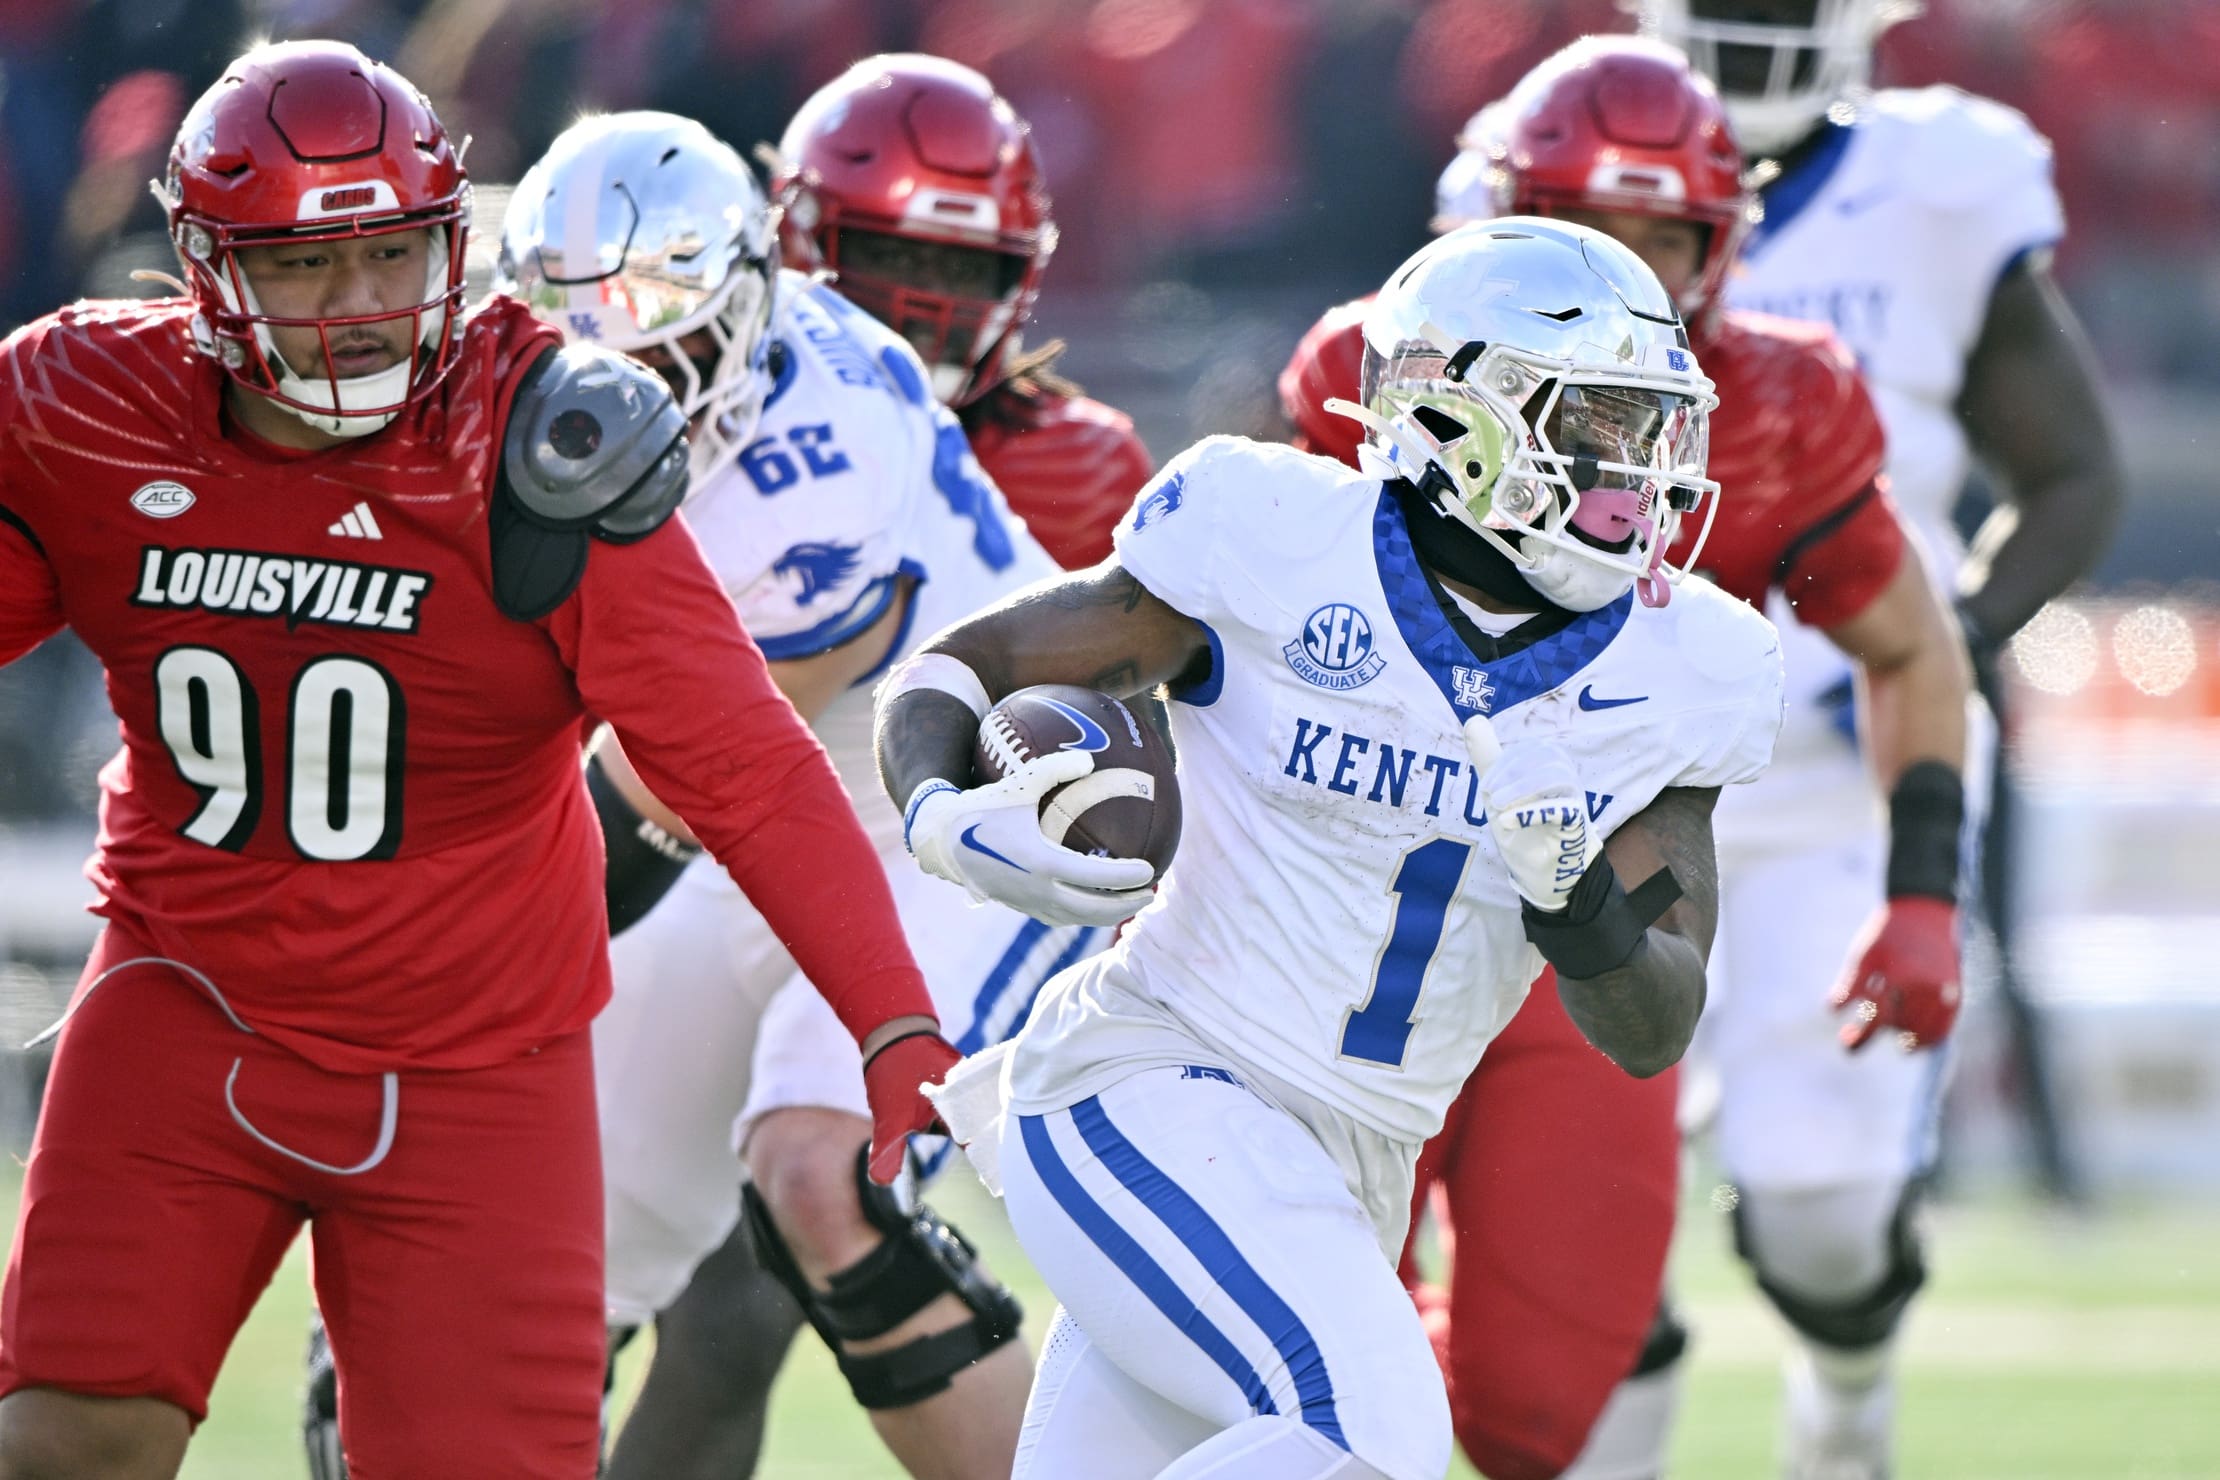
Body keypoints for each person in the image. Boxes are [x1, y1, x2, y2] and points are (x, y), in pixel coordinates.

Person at [0, 40, 956, 1480]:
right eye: (305, 266)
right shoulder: (85, 407)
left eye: (389, 254)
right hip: (185, 1013)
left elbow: (742, 763)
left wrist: (887, 1014)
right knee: (67, 1437)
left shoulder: (539, 437)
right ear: (207, 271)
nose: (359, 307)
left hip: (476, 1067)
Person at [876, 217, 1785, 1480]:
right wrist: (938, 811)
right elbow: (962, 666)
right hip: (1149, 1078)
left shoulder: (1691, 660)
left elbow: (1654, 1024)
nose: (1635, 470)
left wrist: (1578, 899)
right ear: (1459, 414)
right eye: (1593, 422)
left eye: (1650, 427)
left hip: (1354, 1163)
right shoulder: (1276, 535)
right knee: (1373, 1438)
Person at [1280, 39, 1974, 1479]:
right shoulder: (1371, 364)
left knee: (1538, 1413)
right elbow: (1253, 624)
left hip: (1599, 896)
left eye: (1664, 236)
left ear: (1722, 248)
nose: (1623, 271)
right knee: (1308, 1364)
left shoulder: (1777, 402)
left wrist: (1919, 891)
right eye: (1588, 226)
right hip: (1361, 893)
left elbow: (1911, 646)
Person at [606, 57, 1164, 1479]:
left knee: (794, 1223)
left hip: (926, 831)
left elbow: (689, 749)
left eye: (958, 273)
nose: (917, 310)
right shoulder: (699, 380)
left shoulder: (1050, 461)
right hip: (735, 840)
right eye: (885, 263)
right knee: (542, 1242)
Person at [1627, 3, 2123, 1471]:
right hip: (1589, 777)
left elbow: (2074, 471)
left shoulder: (1937, 183)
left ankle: (1844, 1421)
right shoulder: (1558, 161)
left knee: (1827, 1212)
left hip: (1841, 771)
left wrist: (1937, 638)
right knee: (1581, 1221)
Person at [772, 52, 1154, 570]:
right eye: (895, 257)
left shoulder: (1084, 470)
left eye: (964, 267)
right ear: (794, 240)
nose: (931, 299)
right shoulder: (729, 438)